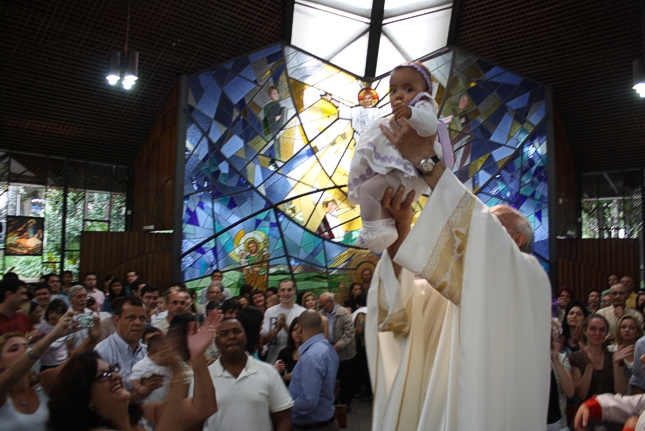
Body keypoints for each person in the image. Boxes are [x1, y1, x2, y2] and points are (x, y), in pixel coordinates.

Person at [364, 115, 551, 430]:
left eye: (494, 223)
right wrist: (401, 229)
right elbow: (401, 312)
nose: (466, 236)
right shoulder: (461, 287)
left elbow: (482, 233)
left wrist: (427, 161)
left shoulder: (529, 277)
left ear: (518, 240)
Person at [47, 313, 219, 431]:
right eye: (103, 375)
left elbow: (204, 407)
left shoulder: (141, 415)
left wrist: (197, 357)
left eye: (112, 369)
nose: (115, 376)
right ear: (86, 397)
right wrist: (177, 372)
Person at [348, 62, 446, 253]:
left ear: (426, 92)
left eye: (408, 89)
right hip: (402, 175)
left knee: (368, 190)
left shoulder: (423, 104)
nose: (399, 95)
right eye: (393, 90)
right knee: (380, 200)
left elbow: (429, 125)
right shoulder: (400, 116)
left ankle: (369, 231)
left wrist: (410, 112)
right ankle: (385, 229)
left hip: (408, 175)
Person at [0, 310, 101, 431]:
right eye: (13, 349)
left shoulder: (40, 382)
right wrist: (53, 335)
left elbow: (72, 363)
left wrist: (92, 339)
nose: (24, 351)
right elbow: (12, 375)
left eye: (27, 346)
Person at [201, 318, 293, 431]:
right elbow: (194, 423)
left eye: (236, 331)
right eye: (224, 334)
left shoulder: (268, 372)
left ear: (245, 337)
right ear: (217, 342)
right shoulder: (204, 377)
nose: (232, 336)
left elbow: (283, 418)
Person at [289, 310, 339, 431]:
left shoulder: (312, 356)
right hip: (324, 422)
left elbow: (308, 401)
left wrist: (283, 409)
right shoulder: (327, 348)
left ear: (300, 328)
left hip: (314, 426)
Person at [94, 297, 150, 396]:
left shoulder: (148, 352)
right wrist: (145, 390)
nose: (138, 323)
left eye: (142, 318)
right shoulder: (102, 352)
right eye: (131, 318)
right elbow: (105, 398)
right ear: (116, 320)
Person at [569, 315, 623, 401]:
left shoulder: (614, 356)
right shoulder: (575, 357)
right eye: (593, 329)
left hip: (610, 407)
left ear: (606, 333)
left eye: (602, 330)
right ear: (584, 331)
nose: (597, 333)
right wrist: (589, 365)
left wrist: (616, 364)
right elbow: (581, 394)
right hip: (586, 408)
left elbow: (621, 392)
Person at [319, 292, 356, 410]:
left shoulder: (344, 313)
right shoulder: (321, 314)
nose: (323, 307)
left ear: (331, 302)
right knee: (331, 379)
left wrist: (339, 345)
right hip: (328, 351)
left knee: (345, 379)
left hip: (344, 354)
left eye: (324, 305)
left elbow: (349, 333)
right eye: (321, 305)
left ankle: (346, 405)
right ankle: (333, 403)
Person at [261, 279, 306, 364]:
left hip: (295, 361)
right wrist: (277, 329)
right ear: (278, 292)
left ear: (294, 291)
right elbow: (263, 341)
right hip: (272, 361)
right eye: (283, 290)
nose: (286, 293)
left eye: (289, 290)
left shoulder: (302, 312)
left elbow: (304, 338)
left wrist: (285, 326)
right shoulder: (270, 312)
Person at [129, 333, 176, 403]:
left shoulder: (168, 365)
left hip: (166, 400)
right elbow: (133, 378)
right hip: (150, 402)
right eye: (162, 355)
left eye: (169, 354)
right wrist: (139, 387)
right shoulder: (143, 365)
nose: (166, 358)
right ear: (151, 355)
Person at [608, 315, 642, 395]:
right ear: (619, 331)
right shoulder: (610, 350)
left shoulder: (642, 351)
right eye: (623, 327)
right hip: (617, 396)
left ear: (638, 332)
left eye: (631, 328)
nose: (627, 330)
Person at [36, 299, 72, 370]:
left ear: (63, 315)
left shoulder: (65, 327)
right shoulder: (41, 327)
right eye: (51, 312)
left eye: (57, 313)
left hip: (61, 360)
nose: (53, 315)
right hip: (45, 362)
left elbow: (55, 345)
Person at [274, 317, 301, 387]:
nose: (297, 333)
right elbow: (276, 378)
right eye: (294, 330)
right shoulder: (285, 352)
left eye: (300, 330)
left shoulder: (310, 352)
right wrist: (285, 377)